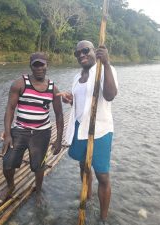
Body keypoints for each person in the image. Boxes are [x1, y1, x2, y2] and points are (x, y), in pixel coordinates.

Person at [57, 40, 118, 224]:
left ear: (94, 51)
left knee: (102, 175)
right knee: (84, 166)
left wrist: (106, 63)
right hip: (80, 128)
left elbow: (110, 95)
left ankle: (103, 218)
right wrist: (70, 100)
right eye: (78, 53)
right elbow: (81, 103)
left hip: (99, 131)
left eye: (85, 51)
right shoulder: (77, 77)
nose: (82, 55)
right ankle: (87, 197)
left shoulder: (104, 70)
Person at [0, 52, 64, 205]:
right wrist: (8, 134)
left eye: (42, 65)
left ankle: (38, 191)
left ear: (47, 65)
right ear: (31, 66)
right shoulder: (20, 84)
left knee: (38, 166)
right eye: (36, 65)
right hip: (20, 130)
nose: (39, 68)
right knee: (7, 162)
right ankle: (10, 186)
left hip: (42, 133)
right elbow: (10, 109)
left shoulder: (53, 88)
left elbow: (59, 115)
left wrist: (59, 140)